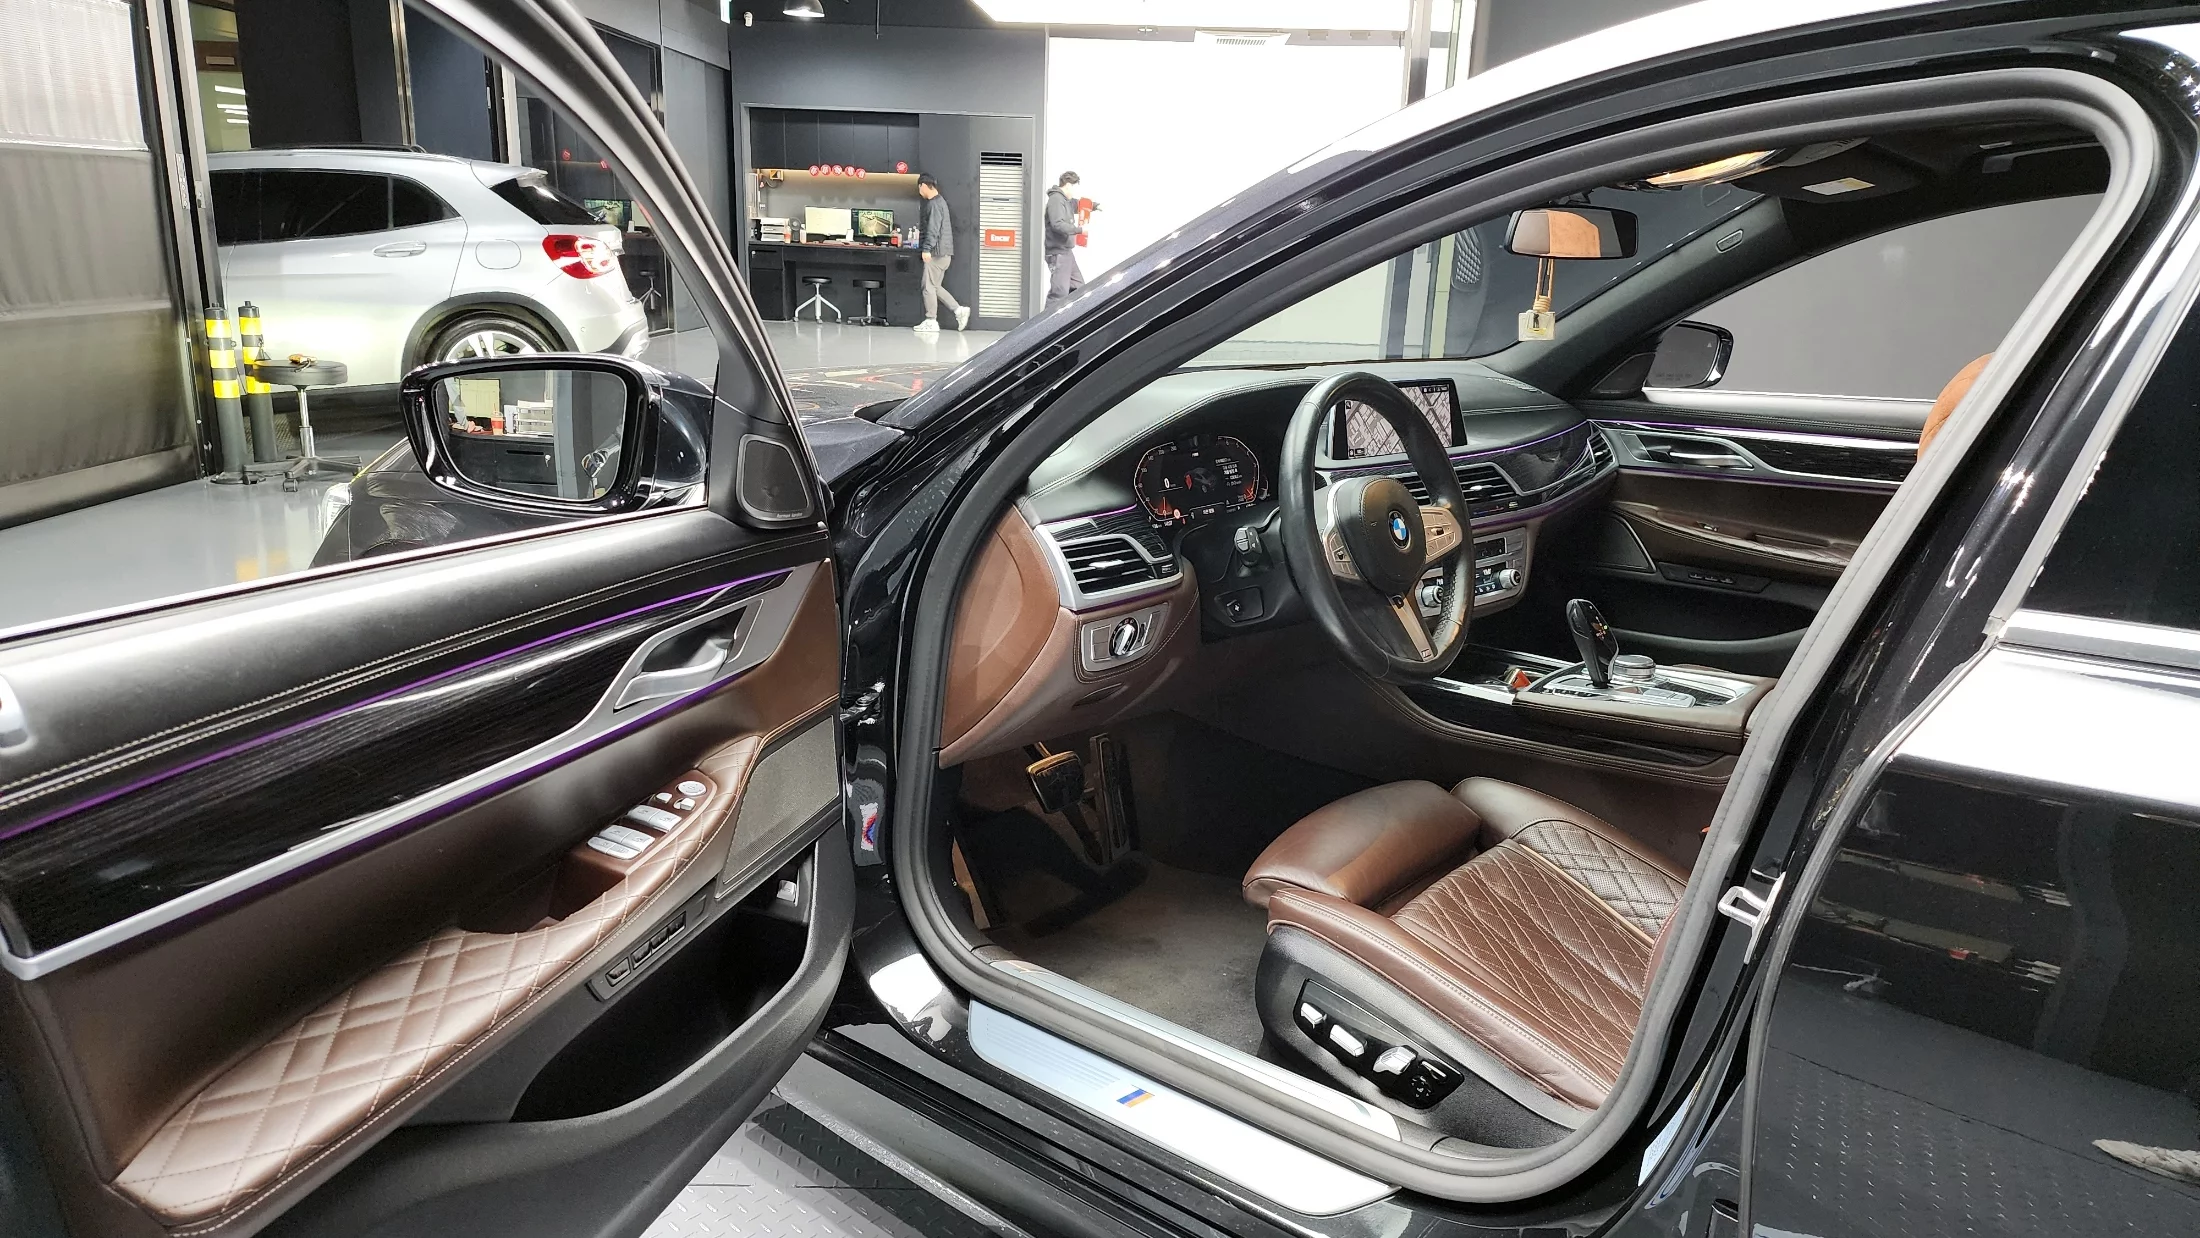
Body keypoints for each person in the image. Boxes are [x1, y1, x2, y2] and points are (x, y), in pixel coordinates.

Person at [913, 174, 969, 332]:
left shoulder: (934, 204)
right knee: (935, 287)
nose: (919, 191)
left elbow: (933, 229)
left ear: (924, 185)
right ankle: (959, 310)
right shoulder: (940, 202)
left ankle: (931, 321)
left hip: (936, 253)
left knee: (928, 287)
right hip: (944, 253)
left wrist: (926, 249)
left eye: (919, 187)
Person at [1044, 171, 1086, 305]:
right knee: (1059, 294)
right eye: (1074, 188)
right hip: (1058, 253)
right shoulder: (1056, 200)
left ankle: (1075, 316)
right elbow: (1057, 224)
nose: (1074, 192)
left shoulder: (1066, 201)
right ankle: (1049, 319)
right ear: (1068, 185)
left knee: (1078, 288)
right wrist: (1079, 230)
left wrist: (1095, 206)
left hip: (1067, 252)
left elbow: (1077, 204)